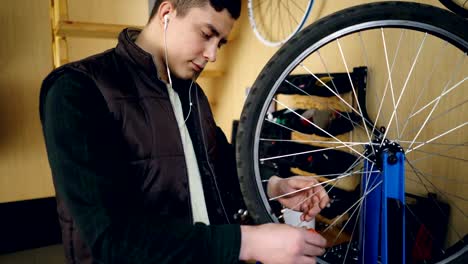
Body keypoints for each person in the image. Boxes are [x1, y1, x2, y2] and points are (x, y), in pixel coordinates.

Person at [39, 0, 330, 263]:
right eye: (206, 34)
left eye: (221, 43)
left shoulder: (192, 93)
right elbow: (108, 239)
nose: (212, 54)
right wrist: (246, 242)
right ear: (167, 13)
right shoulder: (75, 90)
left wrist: (274, 186)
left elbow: (223, 169)